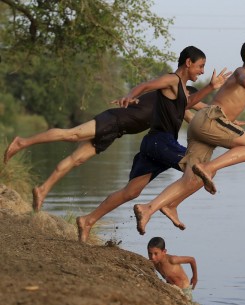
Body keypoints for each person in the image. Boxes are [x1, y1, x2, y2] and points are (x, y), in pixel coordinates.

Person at [133, 40, 245, 235]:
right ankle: (207, 168)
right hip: (211, 119)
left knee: (193, 177)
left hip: (204, 123)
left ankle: (153, 207)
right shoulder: (242, 72)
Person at [76, 46, 231, 242]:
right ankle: (169, 205)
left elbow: (187, 104)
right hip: (160, 141)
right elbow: (146, 85)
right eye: (200, 66)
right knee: (203, 169)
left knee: (130, 192)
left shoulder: (181, 86)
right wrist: (131, 95)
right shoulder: (172, 79)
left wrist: (211, 89)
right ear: (188, 62)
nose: (202, 71)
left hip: (156, 144)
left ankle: (87, 220)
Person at [2, 80, 223, 212]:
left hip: (118, 131)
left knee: (77, 160)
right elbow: (147, 87)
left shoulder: (175, 108)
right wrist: (130, 96)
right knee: (72, 134)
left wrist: (226, 125)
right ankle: (22, 142)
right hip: (113, 119)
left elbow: (198, 117)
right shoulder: (167, 93)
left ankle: (42, 190)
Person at [147, 236, 197, 303]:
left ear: (164, 252)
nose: (152, 257)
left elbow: (192, 260)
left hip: (184, 290)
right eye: (150, 253)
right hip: (171, 288)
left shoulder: (172, 260)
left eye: (156, 253)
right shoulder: (154, 263)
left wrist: (194, 277)